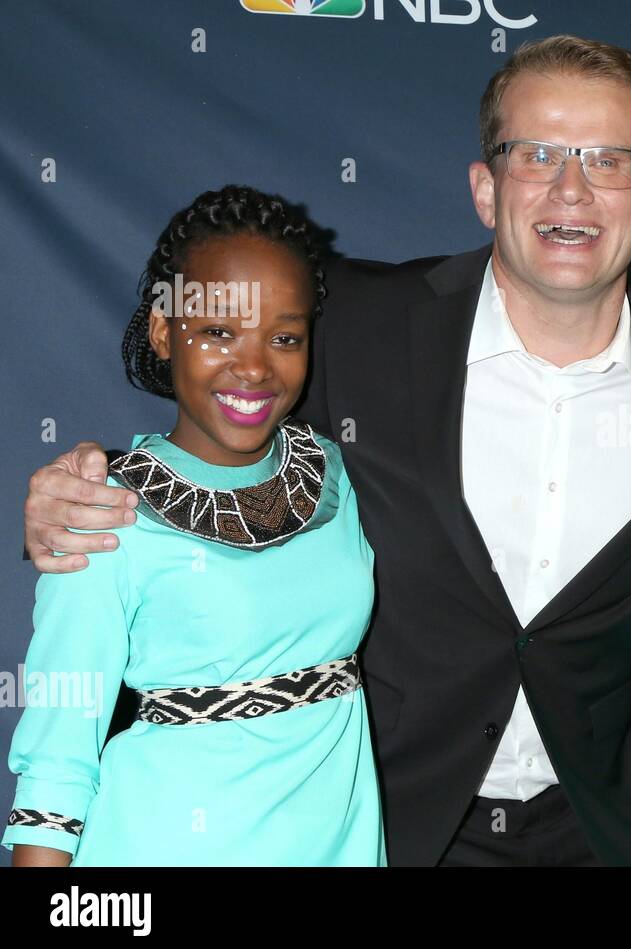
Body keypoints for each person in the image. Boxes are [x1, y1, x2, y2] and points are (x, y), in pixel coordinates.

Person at [19, 37, 631, 866]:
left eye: (608, 160)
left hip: (609, 827)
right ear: (486, 188)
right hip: (388, 826)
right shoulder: (358, 323)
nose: (571, 189)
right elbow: (226, 416)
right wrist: (89, 481)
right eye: (538, 154)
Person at [5, 185, 384, 866]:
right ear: (161, 330)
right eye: (217, 331)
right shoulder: (101, 511)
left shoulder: (338, 475)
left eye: (284, 337)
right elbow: (57, 763)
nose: (253, 366)